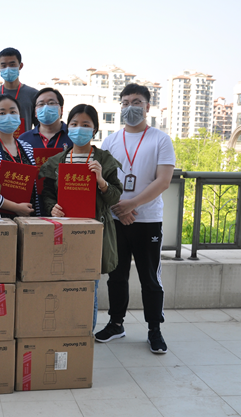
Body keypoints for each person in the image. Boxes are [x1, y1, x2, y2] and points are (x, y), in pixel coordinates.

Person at [95, 83, 175, 354]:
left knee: (149, 278)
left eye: (137, 102)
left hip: (147, 219)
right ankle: (116, 323)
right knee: (116, 276)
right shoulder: (111, 141)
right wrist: (120, 208)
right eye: (126, 102)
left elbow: (163, 181)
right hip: (115, 218)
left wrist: (132, 204)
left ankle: (154, 329)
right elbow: (103, 180)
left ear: (147, 107)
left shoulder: (160, 140)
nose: (131, 107)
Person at [39, 104, 123, 331]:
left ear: (94, 130)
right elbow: (47, 194)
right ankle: (63, 330)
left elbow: (115, 196)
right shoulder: (58, 161)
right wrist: (52, 208)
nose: (79, 129)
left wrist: (101, 181)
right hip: (62, 233)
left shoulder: (104, 160)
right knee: (62, 282)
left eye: (86, 125)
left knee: (88, 286)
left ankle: (85, 334)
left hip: (92, 234)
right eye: (74, 124)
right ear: (68, 127)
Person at [0, 47, 38, 140]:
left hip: (25, 146)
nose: (8, 68)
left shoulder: (33, 94)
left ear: (20, 66)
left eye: (12, 65)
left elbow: (39, 126)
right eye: (4, 65)